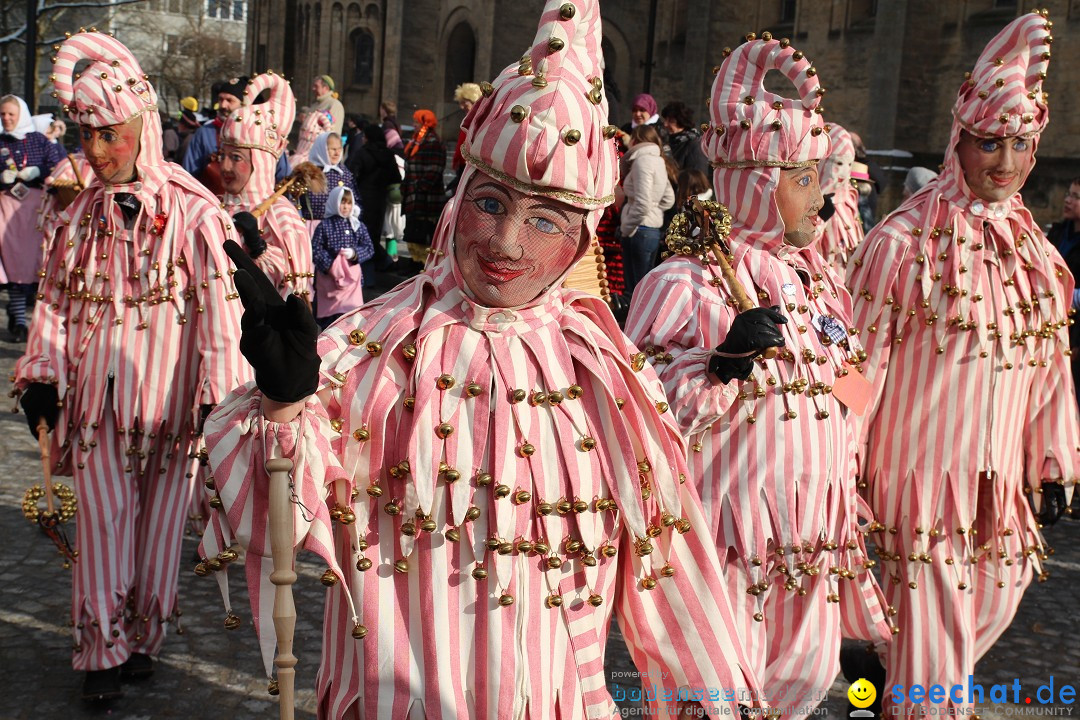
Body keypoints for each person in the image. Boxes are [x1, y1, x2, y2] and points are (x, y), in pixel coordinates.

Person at [199, 1, 763, 716]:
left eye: (546, 220)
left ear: (584, 238)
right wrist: (283, 406)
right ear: (461, 197)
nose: (509, 244)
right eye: (492, 204)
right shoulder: (373, 346)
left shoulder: (607, 376)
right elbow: (270, 521)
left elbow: (669, 566)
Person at [626, 31, 894, 715]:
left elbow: (849, 387)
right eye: (803, 181)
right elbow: (645, 415)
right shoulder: (686, 283)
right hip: (728, 551)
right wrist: (721, 364)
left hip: (814, 550)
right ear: (752, 180)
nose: (824, 201)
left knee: (798, 694)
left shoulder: (816, 284)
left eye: (821, 181)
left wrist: (868, 435)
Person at [845, 12, 1079, 715]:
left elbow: (1050, 370)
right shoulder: (901, 242)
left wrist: (1053, 463)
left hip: (999, 487)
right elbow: (856, 364)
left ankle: (887, 670)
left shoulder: (1037, 253)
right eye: (989, 143)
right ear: (960, 140)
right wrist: (840, 465)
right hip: (915, 484)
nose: (1004, 162)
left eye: (1020, 145)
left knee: (990, 605)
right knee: (935, 656)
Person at [15, 30, 249, 702]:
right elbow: (55, 302)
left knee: (161, 528)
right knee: (104, 522)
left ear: (141, 128)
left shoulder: (198, 215)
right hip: (97, 407)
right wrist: (42, 376)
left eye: (109, 136)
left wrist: (217, 400)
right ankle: (100, 652)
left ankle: (143, 637)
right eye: (85, 137)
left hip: (173, 405)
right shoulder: (80, 215)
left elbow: (217, 312)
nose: (95, 152)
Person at [219, 72, 313, 302]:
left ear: (258, 163)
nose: (225, 166)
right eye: (223, 155)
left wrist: (257, 246)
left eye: (236, 158)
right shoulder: (214, 205)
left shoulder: (280, 214)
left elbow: (292, 292)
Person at [0, 94, 64, 341]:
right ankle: (18, 320)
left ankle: (28, 318)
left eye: (11, 114)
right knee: (11, 264)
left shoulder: (39, 140)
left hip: (34, 210)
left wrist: (40, 170)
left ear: (21, 115)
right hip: (6, 208)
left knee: (31, 264)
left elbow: (58, 164)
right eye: (3, 114)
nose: (6, 119)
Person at [619, 124, 673, 300]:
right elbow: (668, 199)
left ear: (636, 139)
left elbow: (642, 202)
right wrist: (655, 210)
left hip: (638, 230)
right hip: (651, 231)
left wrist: (626, 228)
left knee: (636, 293)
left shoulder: (642, 161)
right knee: (645, 290)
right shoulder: (658, 161)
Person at [311, 185, 370, 327]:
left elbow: (368, 247)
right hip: (329, 280)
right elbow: (316, 249)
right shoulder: (324, 226)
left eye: (349, 203)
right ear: (334, 202)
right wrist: (330, 266)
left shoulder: (357, 225)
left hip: (352, 280)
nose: (346, 207)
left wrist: (355, 254)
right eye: (342, 202)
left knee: (350, 316)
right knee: (329, 318)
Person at [400, 108, 445, 271]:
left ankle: (422, 264)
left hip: (426, 198)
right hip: (414, 195)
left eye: (416, 122)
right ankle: (414, 261)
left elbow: (435, 169)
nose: (413, 125)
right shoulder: (417, 140)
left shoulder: (433, 141)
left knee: (423, 231)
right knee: (413, 230)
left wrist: (419, 188)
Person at [816, 123, 864, 268]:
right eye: (838, 163)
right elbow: (796, 244)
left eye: (849, 164)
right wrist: (819, 218)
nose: (844, 172)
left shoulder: (849, 197)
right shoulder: (804, 198)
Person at [346, 121, 400, 248]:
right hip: (381, 197)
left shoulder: (362, 153)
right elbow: (396, 177)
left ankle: (363, 257)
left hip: (362, 196)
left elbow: (352, 173)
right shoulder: (389, 154)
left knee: (361, 229)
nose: (363, 139)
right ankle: (374, 256)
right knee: (376, 231)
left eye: (365, 136)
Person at [660, 100, 710, 177]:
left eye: (671, 121)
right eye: (665, 120)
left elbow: (697, 176)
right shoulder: (667, 141)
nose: (665, 124)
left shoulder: (694, 144)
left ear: (682, 122)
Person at [450, 82, 483, 190]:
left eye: (465, 103)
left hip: (470, 164)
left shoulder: (478, 121)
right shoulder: (469, 120)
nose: (461, 106)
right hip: (463, 164)